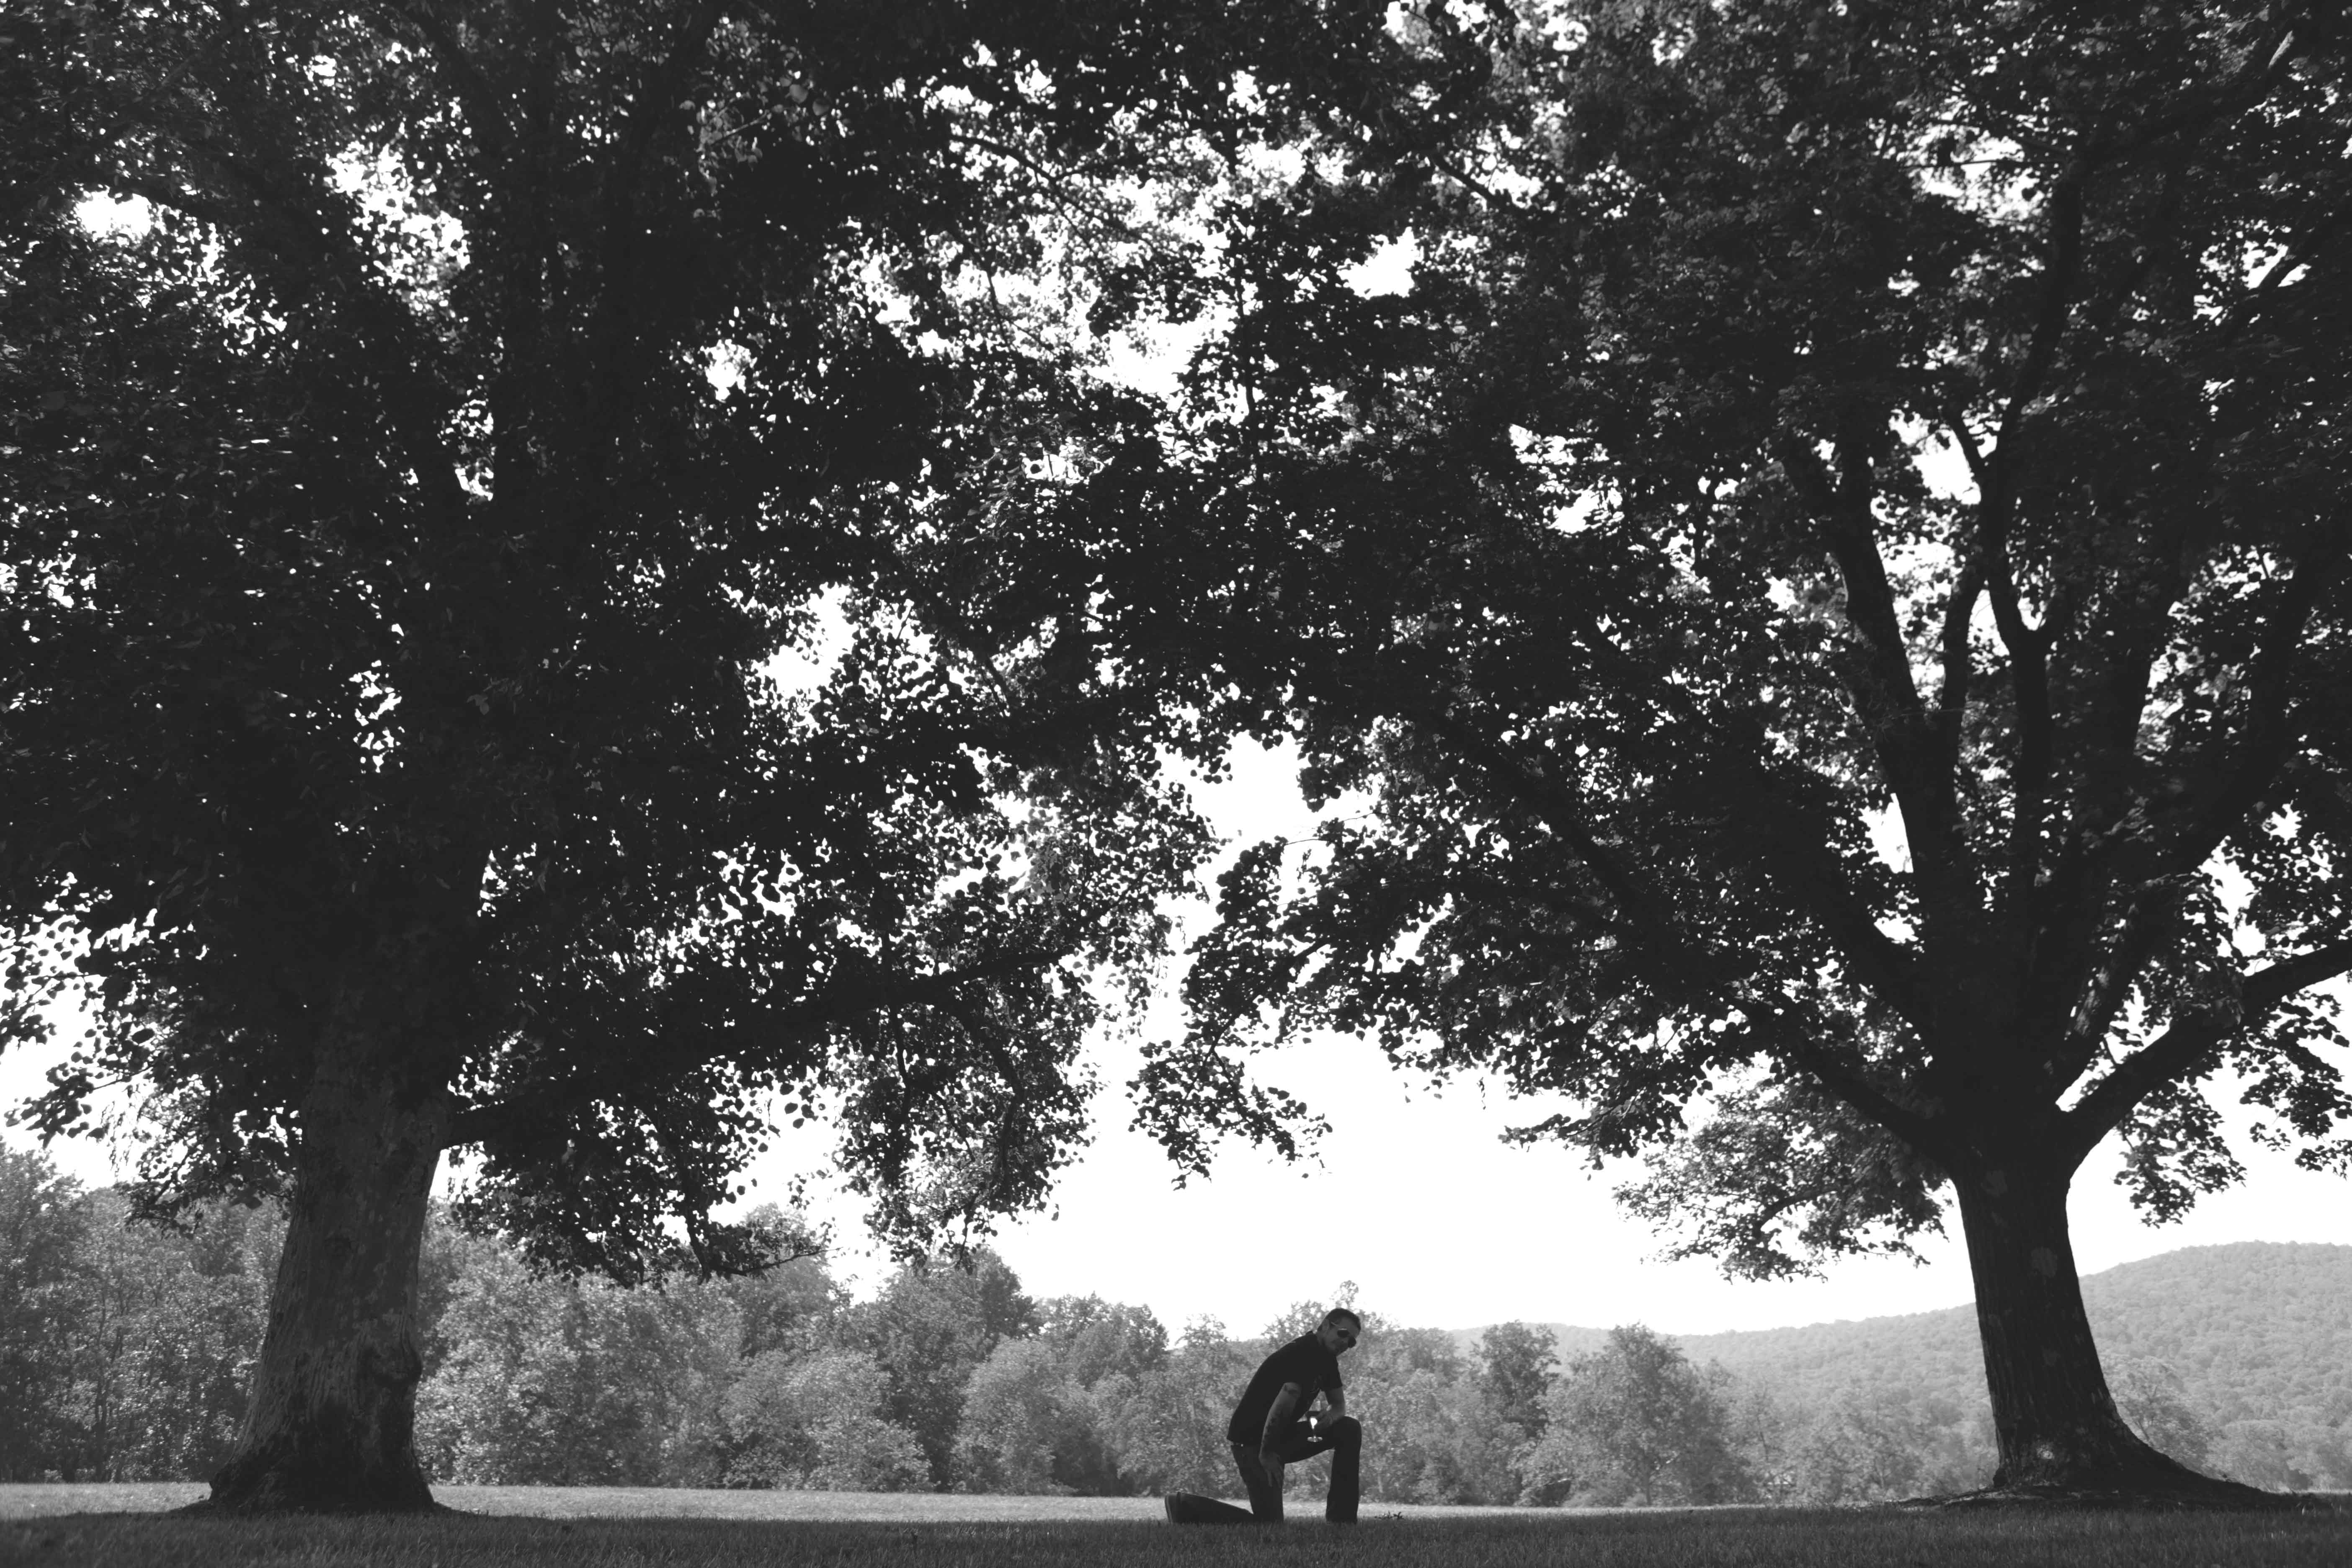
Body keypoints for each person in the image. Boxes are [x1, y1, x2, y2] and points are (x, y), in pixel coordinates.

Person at [1163, 1308, 1363, 1524]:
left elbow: (1339, 1405)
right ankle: (1183, 1505)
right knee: (1269, 1525)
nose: (1346, 1343)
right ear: (1325, 1326)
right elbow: (1284, 1404)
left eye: (1352, 1342)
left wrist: (1330, 1418)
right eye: (1343, 1333)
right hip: (1252, 1443)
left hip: (1281, 1435)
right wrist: (1267, 1453)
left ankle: (1342, 1522)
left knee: (1349, 1429)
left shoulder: (1327, 1359)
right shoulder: (1304, 1353)